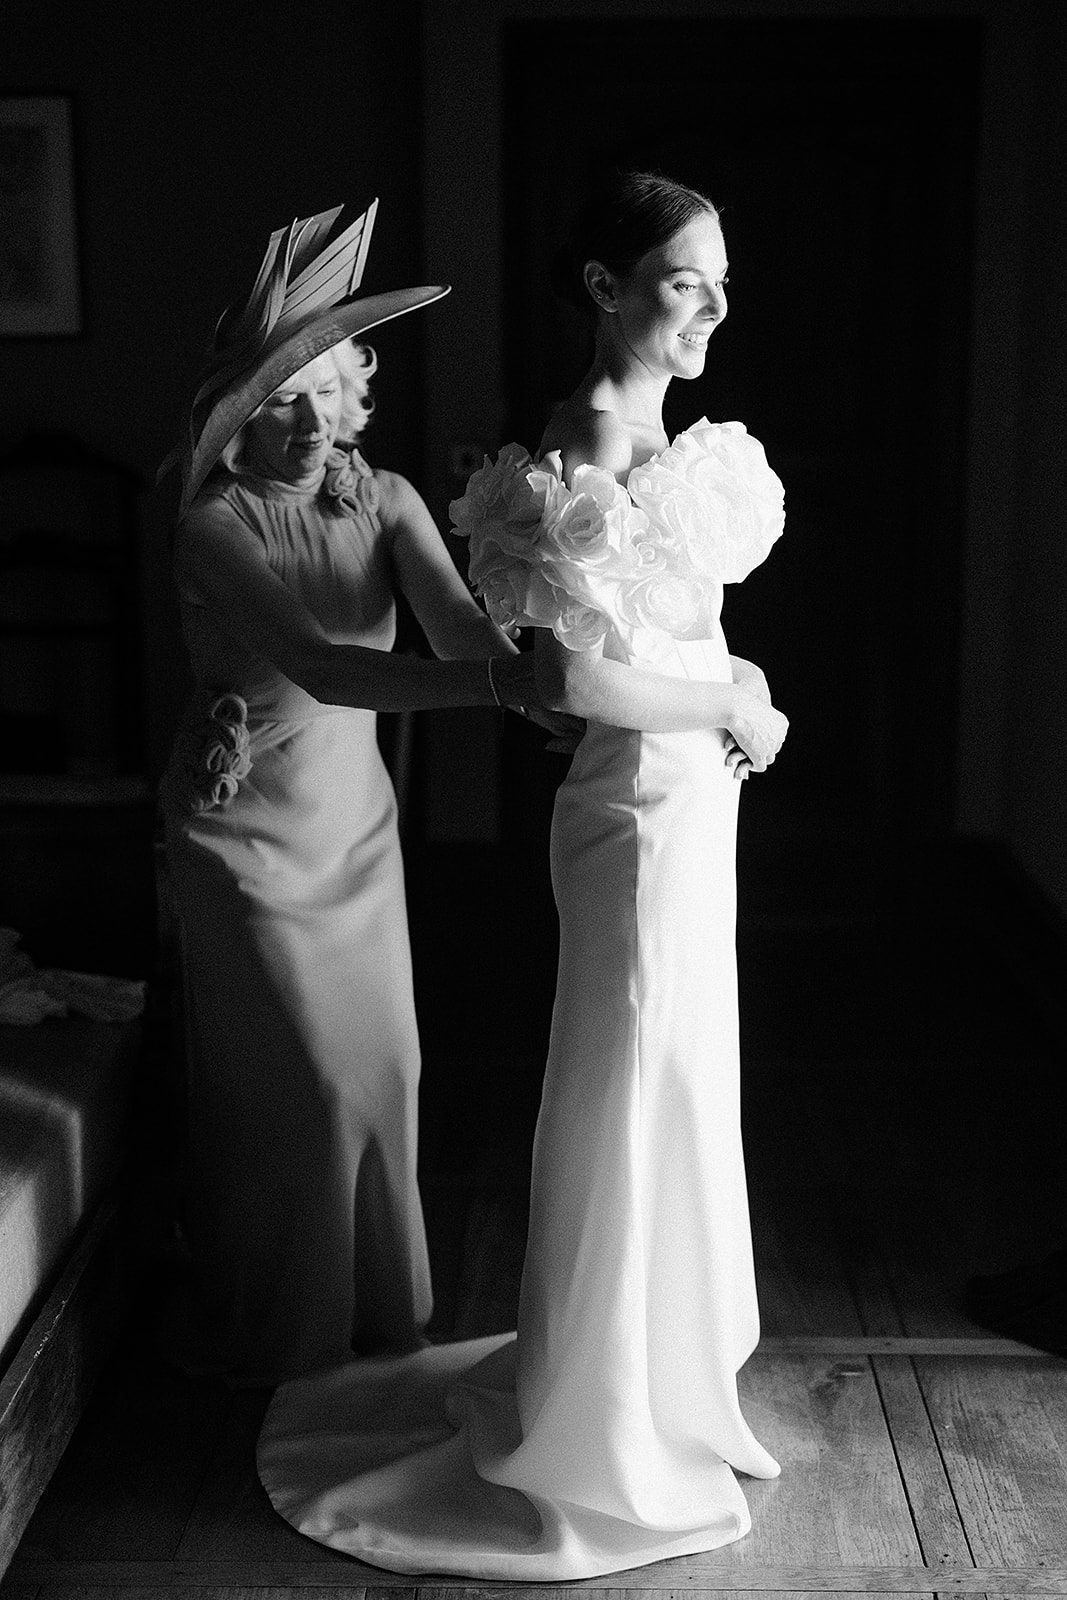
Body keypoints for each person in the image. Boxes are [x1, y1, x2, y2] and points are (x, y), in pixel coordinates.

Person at [257, 171, 789, 1577]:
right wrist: (727, 705)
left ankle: (665, 1377)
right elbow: (568, 679)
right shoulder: (588, 437)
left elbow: (665, 634)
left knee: (679, 1066)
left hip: (690, 802)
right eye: (685, 280)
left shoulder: (658, 427)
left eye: (721, 280)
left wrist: (727, 673)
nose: (713, 308)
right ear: (604, 286)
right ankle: (597, 1418)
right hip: (631, 806)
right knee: (626, 1067)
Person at [158, 199, 549, 1389]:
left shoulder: (381, 501)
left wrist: (551, 665)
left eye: (326, 391)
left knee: (385, 1074)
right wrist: (498, 686)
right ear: (235, 417)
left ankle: (381, 1325)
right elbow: (326, 669)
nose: (309, 421)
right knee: (302, 1089)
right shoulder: (211, 526)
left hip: (353, 833)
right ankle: (289, 1340)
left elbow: (454, 628)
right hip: (248, 841)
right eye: (278, 400)